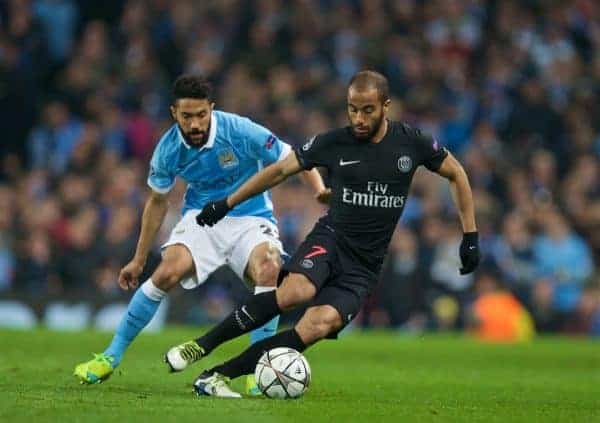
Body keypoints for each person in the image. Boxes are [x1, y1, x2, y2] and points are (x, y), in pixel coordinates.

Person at [167, 70, 480, 398]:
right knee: (294, 292)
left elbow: (456, 173)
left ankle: (216, 376)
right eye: (352, 109)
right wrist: (228, 202)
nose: (358, 118)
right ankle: (201, 346)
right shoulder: (334, 142)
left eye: (367, 110)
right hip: (331, 240)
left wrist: (470, 235)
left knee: (318, 325)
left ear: (386, 106)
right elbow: (280, 170)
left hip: (365, 265)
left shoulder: (411, 143)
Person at [73, 75, 328, 396]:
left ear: (212, 109)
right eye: (186, 116)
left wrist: (319, 190)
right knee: (166, 272)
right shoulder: (167, 150)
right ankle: (110, 356)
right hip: (202, 218)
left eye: (201, 115)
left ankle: (257, 370)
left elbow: (294, 158)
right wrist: (138, 259)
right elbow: (157, 202)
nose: (195, 124)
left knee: (270, 269)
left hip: (251, 216)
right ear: (173, 113)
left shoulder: (239, 130)